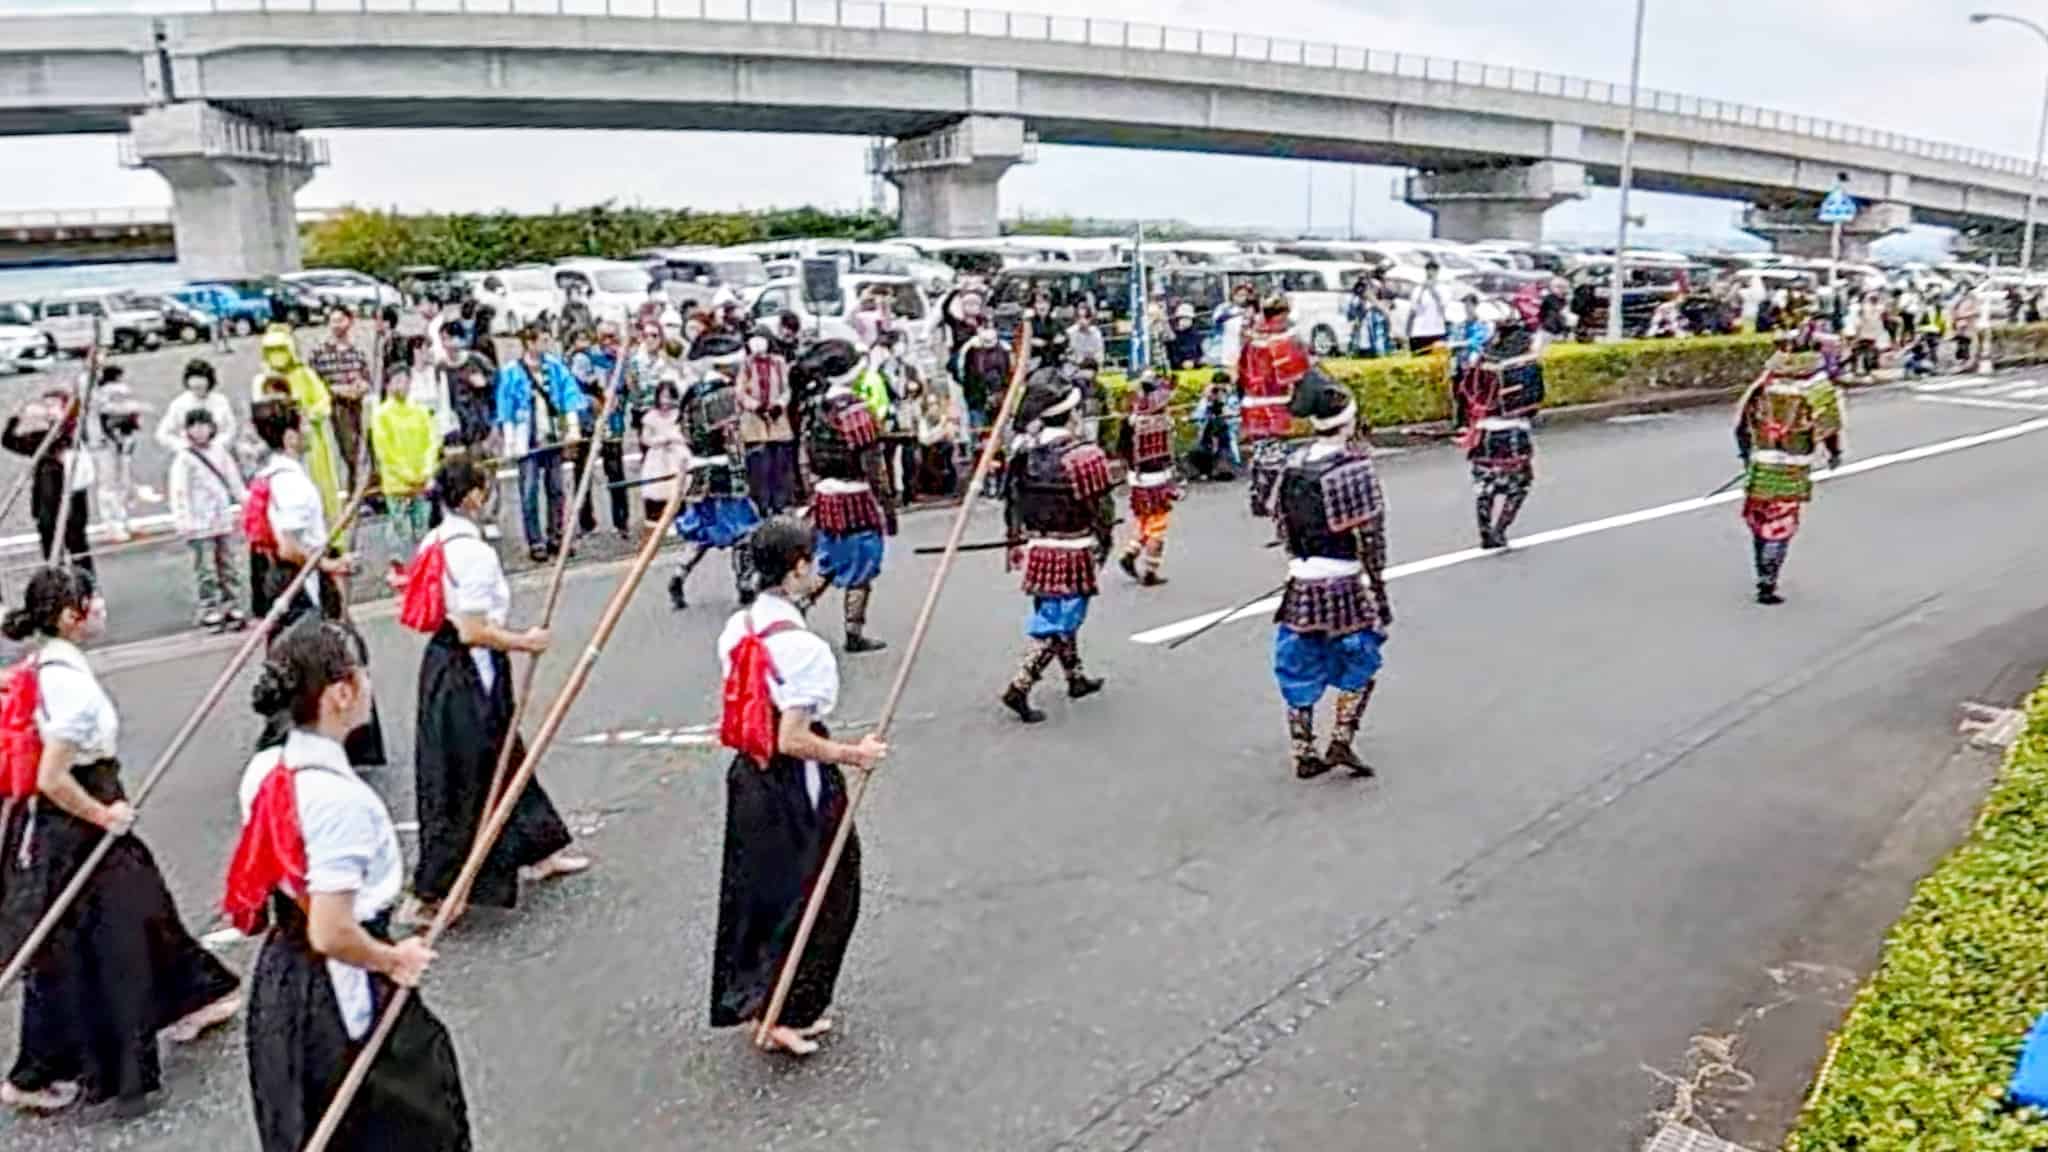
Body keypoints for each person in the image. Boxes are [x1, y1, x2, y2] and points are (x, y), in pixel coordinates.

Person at [0, 567, 241, 1115]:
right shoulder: (72, 687)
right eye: (92, 600)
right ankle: (38, 1069)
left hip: (76, 816)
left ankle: (192, 996)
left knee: (137, 908)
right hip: (77, 818)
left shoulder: (50, 662)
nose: (102, 607)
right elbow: (53, 778)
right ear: (70, 615)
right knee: (78, 943)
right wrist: (104, 815)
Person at [228, 620, 470, 1152]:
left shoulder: (266, 768)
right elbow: (332, 930)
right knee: (409, 1123)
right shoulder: (339, 801)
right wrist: (393, 959)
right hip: (341, 985)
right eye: (362, 673)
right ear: (341, 693)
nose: (368, 685)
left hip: (285, 979)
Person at [710, 517, 886, 1058]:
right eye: (811, 559)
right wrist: (853, 753)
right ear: (798, 567)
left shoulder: (738, 628)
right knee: (825, 888)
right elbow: (794, 738)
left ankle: (765, 1000)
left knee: (763, 891)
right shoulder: (805, 649)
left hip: (748, 773)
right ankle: (783, 1010)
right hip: (793, 781)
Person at [406, 457, 587, 924]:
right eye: (482, 489)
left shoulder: (436, 540)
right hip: (469, 668)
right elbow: (472, 629)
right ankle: (436, 889)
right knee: (465, 774)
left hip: (445, 666)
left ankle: (540, 846)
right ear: (471, 496)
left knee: (505, 755)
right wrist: (525, 642)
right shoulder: (471, 552)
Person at [1250, 369, 1391, 780]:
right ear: (1347, 421)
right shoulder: (1355, 468)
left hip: (1302, 578)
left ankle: (1303, 749)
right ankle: (1341, 738)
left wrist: (1300, 566)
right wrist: (1378, 591)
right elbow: (1371, 538)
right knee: (1362, 657)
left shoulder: (1291, 465)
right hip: (1345, 580)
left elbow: (1281, 525)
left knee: (1298, 661)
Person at [1000, 366, 1116, 724]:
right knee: (1061, 620)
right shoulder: (1084, 455)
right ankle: (1019, 685)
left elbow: (1012, 503)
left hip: (1038, 546)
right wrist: (1105, 540)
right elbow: (1101, 507)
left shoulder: (1023, 452)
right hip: (1073, 546)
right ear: (1071, 412)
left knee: (1055, 612)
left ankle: (1075, 676)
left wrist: (1015, 539)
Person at [797, 340, 894, 653]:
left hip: (825, 493)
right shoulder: (856, 411)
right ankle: (854, 631)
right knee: (862, 564)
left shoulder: (816, 407)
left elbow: (805, 455)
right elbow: (873, 463)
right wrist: (887, 503)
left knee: (830, 560)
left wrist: (812, 489)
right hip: (854, 495)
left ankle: (797, 607)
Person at [1735, 337, 1844, 605]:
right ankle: (1768, 583)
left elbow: (1740, 423)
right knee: (1780, 523)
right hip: (1793, 466)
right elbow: (1830, 428)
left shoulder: (1765, 384)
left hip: (1761, 462)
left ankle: (1762, 573)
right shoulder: (1819, 388)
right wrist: (1834, 454)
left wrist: (1746, 456)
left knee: (1759, 521)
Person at [670, 334, 763, 611]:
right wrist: (742, 470)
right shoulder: (724, 395)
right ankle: (745, 583)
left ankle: (679, 573)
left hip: (700, 469)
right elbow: (731, 436)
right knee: (744, 529)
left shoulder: (692, 394)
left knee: (701, 533)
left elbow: (685, 431)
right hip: (723, 471)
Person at [250, 398, 353, 630]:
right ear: (290, 437)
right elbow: (289, 546)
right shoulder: (290, 482)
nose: (308, 431)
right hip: (299, 584)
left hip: (294, 581)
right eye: (303, 425)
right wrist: (328, 564)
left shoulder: (276, 474)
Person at [496, 329, 589, 563]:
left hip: (553, 436)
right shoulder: (512, 372)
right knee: (528, 491)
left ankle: (556, 536)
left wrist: (573, 426)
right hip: (525, 438)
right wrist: (509, 440)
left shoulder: (555, 367)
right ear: (529, 342)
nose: (547, 344)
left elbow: (569, 395)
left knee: (556, 489)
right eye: (543, 339)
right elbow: (505, 406)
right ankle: (535, 540)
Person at [1453, 313, 1544, 550]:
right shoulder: (1527, 362)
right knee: (1520, 484)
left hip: (1484, 432)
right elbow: (1535, 401)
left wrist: (1465, 422)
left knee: (1485, 486)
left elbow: (1464, 392)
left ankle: (1485, 532)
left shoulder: (1482, 357)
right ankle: (1500, 530)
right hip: (1515, 431)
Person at [167, 407, 248, 631]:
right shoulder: (184, 459)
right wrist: (183, 520)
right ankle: (210, 608)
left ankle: (233, 604)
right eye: (194, 426)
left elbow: (234, 481)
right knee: (205, 570)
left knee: (228, 565)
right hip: (198, 523)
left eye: (203, 425)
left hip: (221, 518)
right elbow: (179, 492)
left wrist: (246, 504)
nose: (199, 430)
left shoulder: (220, 453)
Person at [2, 384, 94, 576]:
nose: (48, 409)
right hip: (46, 505)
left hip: (70, 502)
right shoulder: (42, 438)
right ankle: (58, 585)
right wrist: (17, 418)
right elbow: (10, 441)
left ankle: (87, 587)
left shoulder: (70, 435)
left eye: (53, 405)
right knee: (51, 545)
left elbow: (67, 434)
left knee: (77, 544)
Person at [257, 325, 345, 525]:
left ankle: (333, 538)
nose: (278, 356)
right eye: (272, 351)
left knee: (322, 488)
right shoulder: (265, 381)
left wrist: (310, 415)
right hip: (280, 447)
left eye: (281, 349)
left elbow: (323, 401)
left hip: (311, 442)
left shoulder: (305, 374)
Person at [369, 361, 441, 575]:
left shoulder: (419, 411)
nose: (402, 384)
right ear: (388, 384)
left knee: (422, 527)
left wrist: (427, 469)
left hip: (422, 480)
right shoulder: (381, 415)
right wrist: (406, 474)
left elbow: (432, 441)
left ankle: (424, 567)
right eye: (397, 380)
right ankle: (403, 569)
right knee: (400, 529)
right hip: (397, 484)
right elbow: (385, 451)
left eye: (405, 379)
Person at [1114, 369, 1177, 587]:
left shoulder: (1131, 421)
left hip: (1137, 476)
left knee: (1144, 519)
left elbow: (1120, 449)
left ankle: (1130, 552)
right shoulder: (1165, 420)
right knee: (1157, 526)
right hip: (1159, 477)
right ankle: (1151, 571)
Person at [568, 324, 630, 539]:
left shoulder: (621, 361)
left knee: (615, 471)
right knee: (583, 472)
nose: (609, 342)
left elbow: (626, 389)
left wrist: (618, 399)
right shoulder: (583, 359)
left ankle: (621, 522)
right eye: (605, 337)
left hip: (613, 423)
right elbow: (577, 388)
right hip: (588, 424)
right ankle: (586, 523)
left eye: (613, 337)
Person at [306, 308, 375, 491]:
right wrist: (334, 390)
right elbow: (311, 381)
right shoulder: (320, 352)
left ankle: (359, 491)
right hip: (333, 408)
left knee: (359, 451)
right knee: (345, 453)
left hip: (356, 406)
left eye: (340, 320)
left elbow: (367, 378)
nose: (336, 325)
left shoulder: (357, 351)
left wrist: (361, 385)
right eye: (333, 321)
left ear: (350, 321)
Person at [1237, 294, 1311, 444]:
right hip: (1280, 408)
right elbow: (1299, 374)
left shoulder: (1251, 341)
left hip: (1253, 409)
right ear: (1284, 313)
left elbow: (1241, 373)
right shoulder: (1287, 340)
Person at [737, 332, 797, 515]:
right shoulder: (745, 364)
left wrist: (779, 405)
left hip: (778, 421)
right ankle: (762, 506)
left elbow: (786, 389)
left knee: (779, 466)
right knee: (759, 468)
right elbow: (740, 392)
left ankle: (780, 504)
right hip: (754, 422)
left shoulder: (779, 363)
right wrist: (756, 407)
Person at [91, 365, 148, 544]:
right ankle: (114, 524)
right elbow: (109, 411)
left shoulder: (105, 391)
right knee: (111, 484)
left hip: (116, 439)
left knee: (120, 482)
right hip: (105, 441)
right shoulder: (101, 393)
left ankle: (121, 521)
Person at [155, 358, 239, 455]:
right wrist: (183, 447)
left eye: (201, 388)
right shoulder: (179, 404)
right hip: (191, 456)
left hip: (218, 453)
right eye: (194, 388)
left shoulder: (221, 401)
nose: (198, 391)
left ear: (209, 383)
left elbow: (231, 429)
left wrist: (217, 445)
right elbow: (163, 433)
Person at [636, 377, 688, 527]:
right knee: (657, 489)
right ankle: (658, 521)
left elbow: (684, 433)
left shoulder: (679, 414)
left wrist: (675, 439)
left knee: (678, 487)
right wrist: (659, 441)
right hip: (657, 457)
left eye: (669, 397)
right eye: (662, 397)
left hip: (677, 454)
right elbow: (645, 438)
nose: (665, 401)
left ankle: (679, 520)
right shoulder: (650, 416)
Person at [1186, 372, 1241, 482]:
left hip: (1226, 427)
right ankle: (1203, 470)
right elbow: (1199, 413)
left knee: (1224, 446)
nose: (1220, 390)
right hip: (1209, 426)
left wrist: (1226, 407)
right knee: (1201, 447)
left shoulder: (1233, 397)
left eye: (1223, 386)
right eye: (1217, 386)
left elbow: (1236, 412)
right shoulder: (1208, 397)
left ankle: (1223, 470)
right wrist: (1208, 399)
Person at [1406, 260, 1450, 352]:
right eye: (1428, 270)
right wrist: (1422, 290)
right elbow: (1413, 309)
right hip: (1419, 332)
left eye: (1433, 270)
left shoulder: (1443, 289)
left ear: (1437, 272)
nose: (1430, 273)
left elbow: (1442, 306)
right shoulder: (1418, 289)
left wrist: (1433, 289)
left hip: (1436, 331)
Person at [1065, 303, 1107, 369]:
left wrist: (1092, 361)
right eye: (1079, 317)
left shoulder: (1096, 333)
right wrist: (1077, 360)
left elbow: (1100, 355)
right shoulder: (1070, 333)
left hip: (1091, 366)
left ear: (1090, 318)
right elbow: (1067, 353)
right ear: (1075, 318)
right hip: (1073, 367)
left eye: (1085, 317)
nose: (1082, 320)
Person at [1167, 303, 1206, 370]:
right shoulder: (1172, 337)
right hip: (1178, 372)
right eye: (1182, 318)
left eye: (1188, 318)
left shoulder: (1196, 336)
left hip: (1196, 371)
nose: (1185, 321)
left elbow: (1201, 355)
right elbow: (1172, 357)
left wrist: (1194, 362)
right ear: (1178, 320)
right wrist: (1182, 364)